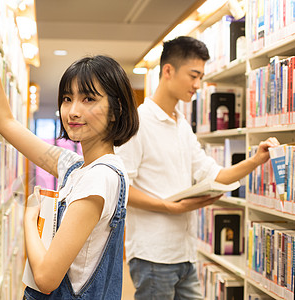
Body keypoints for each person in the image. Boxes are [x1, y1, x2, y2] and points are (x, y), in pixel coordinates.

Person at [0, 3, 139, 299]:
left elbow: (47, 278)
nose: (73, 111)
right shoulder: (77, 167)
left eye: (88, 99)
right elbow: (4, 121)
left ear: (115, 111)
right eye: (67, 98)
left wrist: (29, 218)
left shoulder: (98, 179)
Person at [115, 36, 279, 300]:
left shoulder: (181, 124)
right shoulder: (138, 123)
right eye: (193, 75)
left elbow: (213, 174)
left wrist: (256, 160)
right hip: (153, 255)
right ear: (168, 71)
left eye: (201, 76)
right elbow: (121, 189)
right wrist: (169, 207)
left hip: (185, 252)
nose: (198, 85)